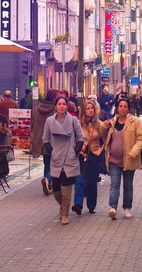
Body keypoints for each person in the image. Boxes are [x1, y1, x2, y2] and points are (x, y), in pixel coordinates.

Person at [42, 96, 85, 225]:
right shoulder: (49, 121)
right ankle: (63, 207)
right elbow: (45, 138)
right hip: (56, 157)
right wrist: (51, 151)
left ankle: (65, 214)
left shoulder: (73, 120)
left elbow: (81, 136)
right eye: (59, 104)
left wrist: (75, 151)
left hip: (69, 156)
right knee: (56, 190)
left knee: (66, 187)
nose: (61, 106)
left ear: (67, 106)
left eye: (64, 104)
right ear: (55, 106)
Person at [101, 97, 142, 220]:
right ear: (117, 108)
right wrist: (105, 126)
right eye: (121, 106)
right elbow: (102, 135)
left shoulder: (135, 122)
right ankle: (113, 207)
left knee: (128, 185)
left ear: (128, 108)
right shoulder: (112, 122)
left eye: (125, 106)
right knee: (115, 184)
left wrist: (133, 152)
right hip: (114, 160)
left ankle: (127, 208)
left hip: (129, 159)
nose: (123, 108)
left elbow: (141, 139)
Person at [72, 99, 104, 215]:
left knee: (91, 182)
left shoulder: (99, 124)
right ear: (84, 110)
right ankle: (78, 204)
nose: (90, 110)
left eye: (92, 108)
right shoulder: (78, 123)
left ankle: (91, 205)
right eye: (88, 108)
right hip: (82, 154)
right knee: (79, 180)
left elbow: (105, 138)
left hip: (94, 154)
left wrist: (101, 150)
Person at [31, 89, 58, 195]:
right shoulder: (55, 110)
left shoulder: (38, 108)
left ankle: (47, 181)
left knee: (47, 162)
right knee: (53, 162)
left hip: (40, 139)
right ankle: (48, 179)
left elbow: (33, 123)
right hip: (51, 140)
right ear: (53, 98)